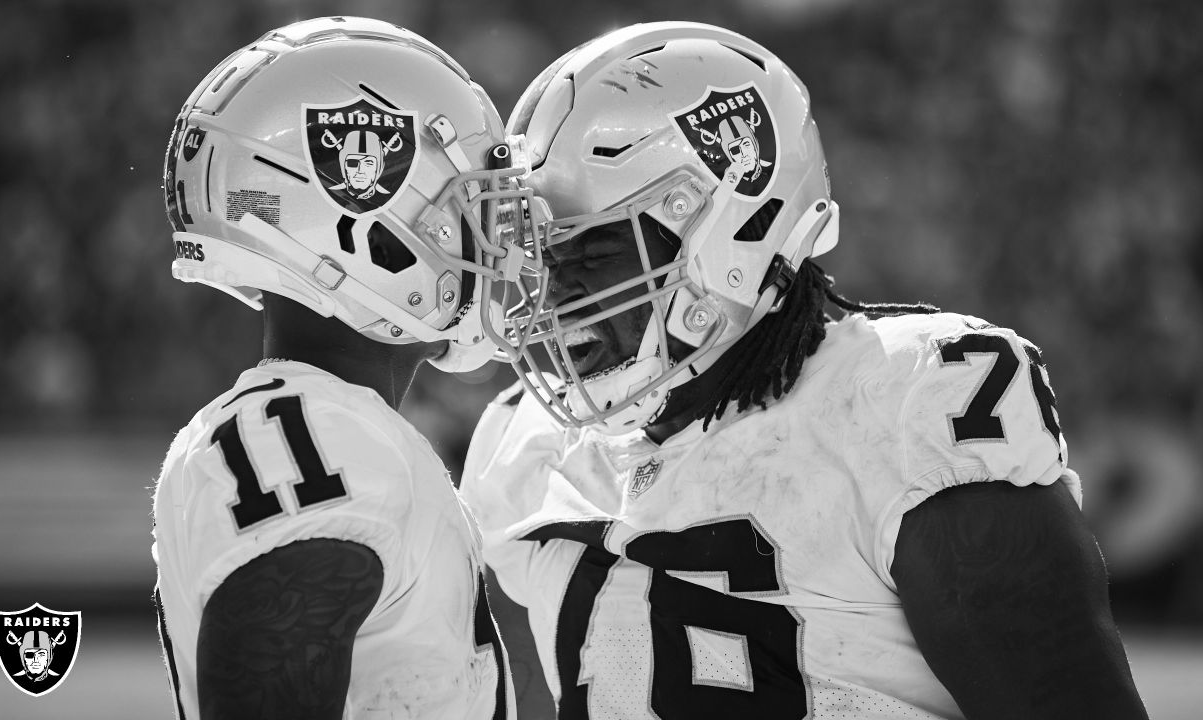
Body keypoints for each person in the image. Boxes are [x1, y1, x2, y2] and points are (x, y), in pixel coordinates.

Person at [463, 21, 1150, 719]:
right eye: (540, 257)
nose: (551, 293)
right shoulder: (519, 442)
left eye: (589, 252)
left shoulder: (909, 401)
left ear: (725, 233)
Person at [153, 16, 530, 720]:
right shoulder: (320, 439)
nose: (495, 235)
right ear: (362, 224)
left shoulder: (333, 426)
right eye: (467, 203)